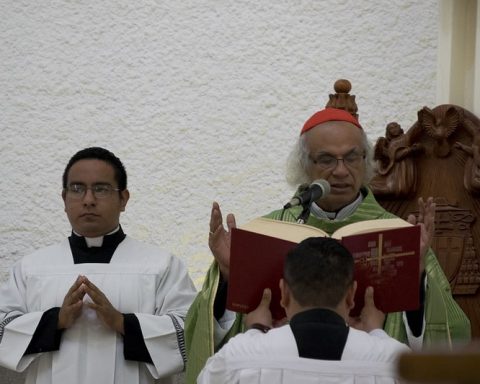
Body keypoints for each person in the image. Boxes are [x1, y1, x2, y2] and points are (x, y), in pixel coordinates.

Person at [184, 108, 471, 383]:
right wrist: (227, 277)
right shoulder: (265, 232)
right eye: (326, 160)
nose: (341, 171)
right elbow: (202, 333)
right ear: (304, 165)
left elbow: (452, 332)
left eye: (352, 157)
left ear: (366, 160)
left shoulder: (402, 236)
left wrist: (418, 278)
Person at [0, 147, 197, 384]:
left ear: (123, 199)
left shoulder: (161, 265)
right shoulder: (31, 268)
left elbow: (191, 333)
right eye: (77, 189)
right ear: (64, 199)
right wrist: (55, 321)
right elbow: (3, 328)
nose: (88, 200)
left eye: (101, 189)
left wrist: (123, 323)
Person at [197, 237, 411, 384]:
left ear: (284, 293)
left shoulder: (238, 356)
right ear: (350, 295)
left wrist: (255, 329)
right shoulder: (396, 361)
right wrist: (376, 334)